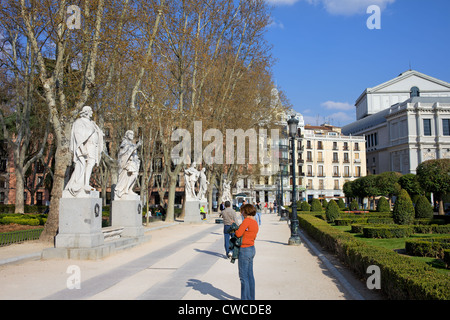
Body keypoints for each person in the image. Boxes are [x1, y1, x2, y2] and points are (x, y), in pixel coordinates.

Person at [65, 106, 104, 197]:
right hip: (86, 146)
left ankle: (86, 183)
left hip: (93, 146)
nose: (91, 113)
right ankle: (80, 184)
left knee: (91, 164)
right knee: (83, 164)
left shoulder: (92, 123)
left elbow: (98, 132)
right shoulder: (79, 122)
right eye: (90, 111)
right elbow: (77, 135)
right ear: (86, 112)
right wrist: (82, 148)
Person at [235, 204, 259, 300]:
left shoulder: (246, 221)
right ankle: (251, 298)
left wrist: (237, 227)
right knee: (250, 276)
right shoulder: (254, 222)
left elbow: (238, 233)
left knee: (243, 277)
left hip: (244, 249)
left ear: (245, 212)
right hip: (252, 248)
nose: (241, 213)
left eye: (242, 211)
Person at [115, 130, 142, 199]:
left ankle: (129, 189)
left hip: (133, 162)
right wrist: (136, 146)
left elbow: (134, 153)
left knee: (135, 175)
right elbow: (124, 152)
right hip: (127, 163)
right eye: (130, 134)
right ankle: (124, 189)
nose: (132, 135)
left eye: (133, 134)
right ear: (127, 135)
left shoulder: (132, 144)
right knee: (130, 175)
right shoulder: (125, 142)